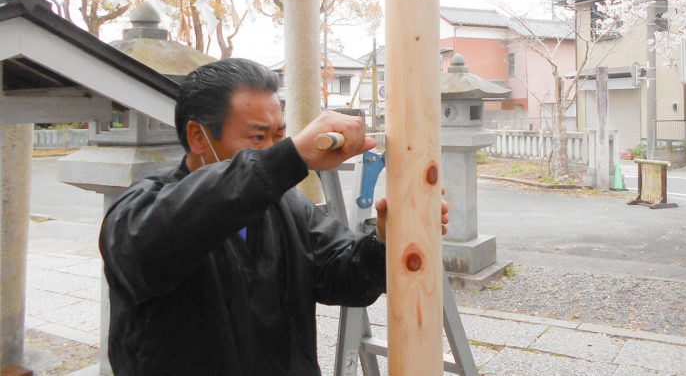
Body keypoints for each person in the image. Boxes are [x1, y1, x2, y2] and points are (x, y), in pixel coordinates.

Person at [100, 58, 448, 375]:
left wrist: (385, 242)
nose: (270, 150)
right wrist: (291, 156)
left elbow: (343, 276)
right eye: (257, 137)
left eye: (279, 136)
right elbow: (162, 238)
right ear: (198, 136)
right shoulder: (139, 211)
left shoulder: (286, 205)